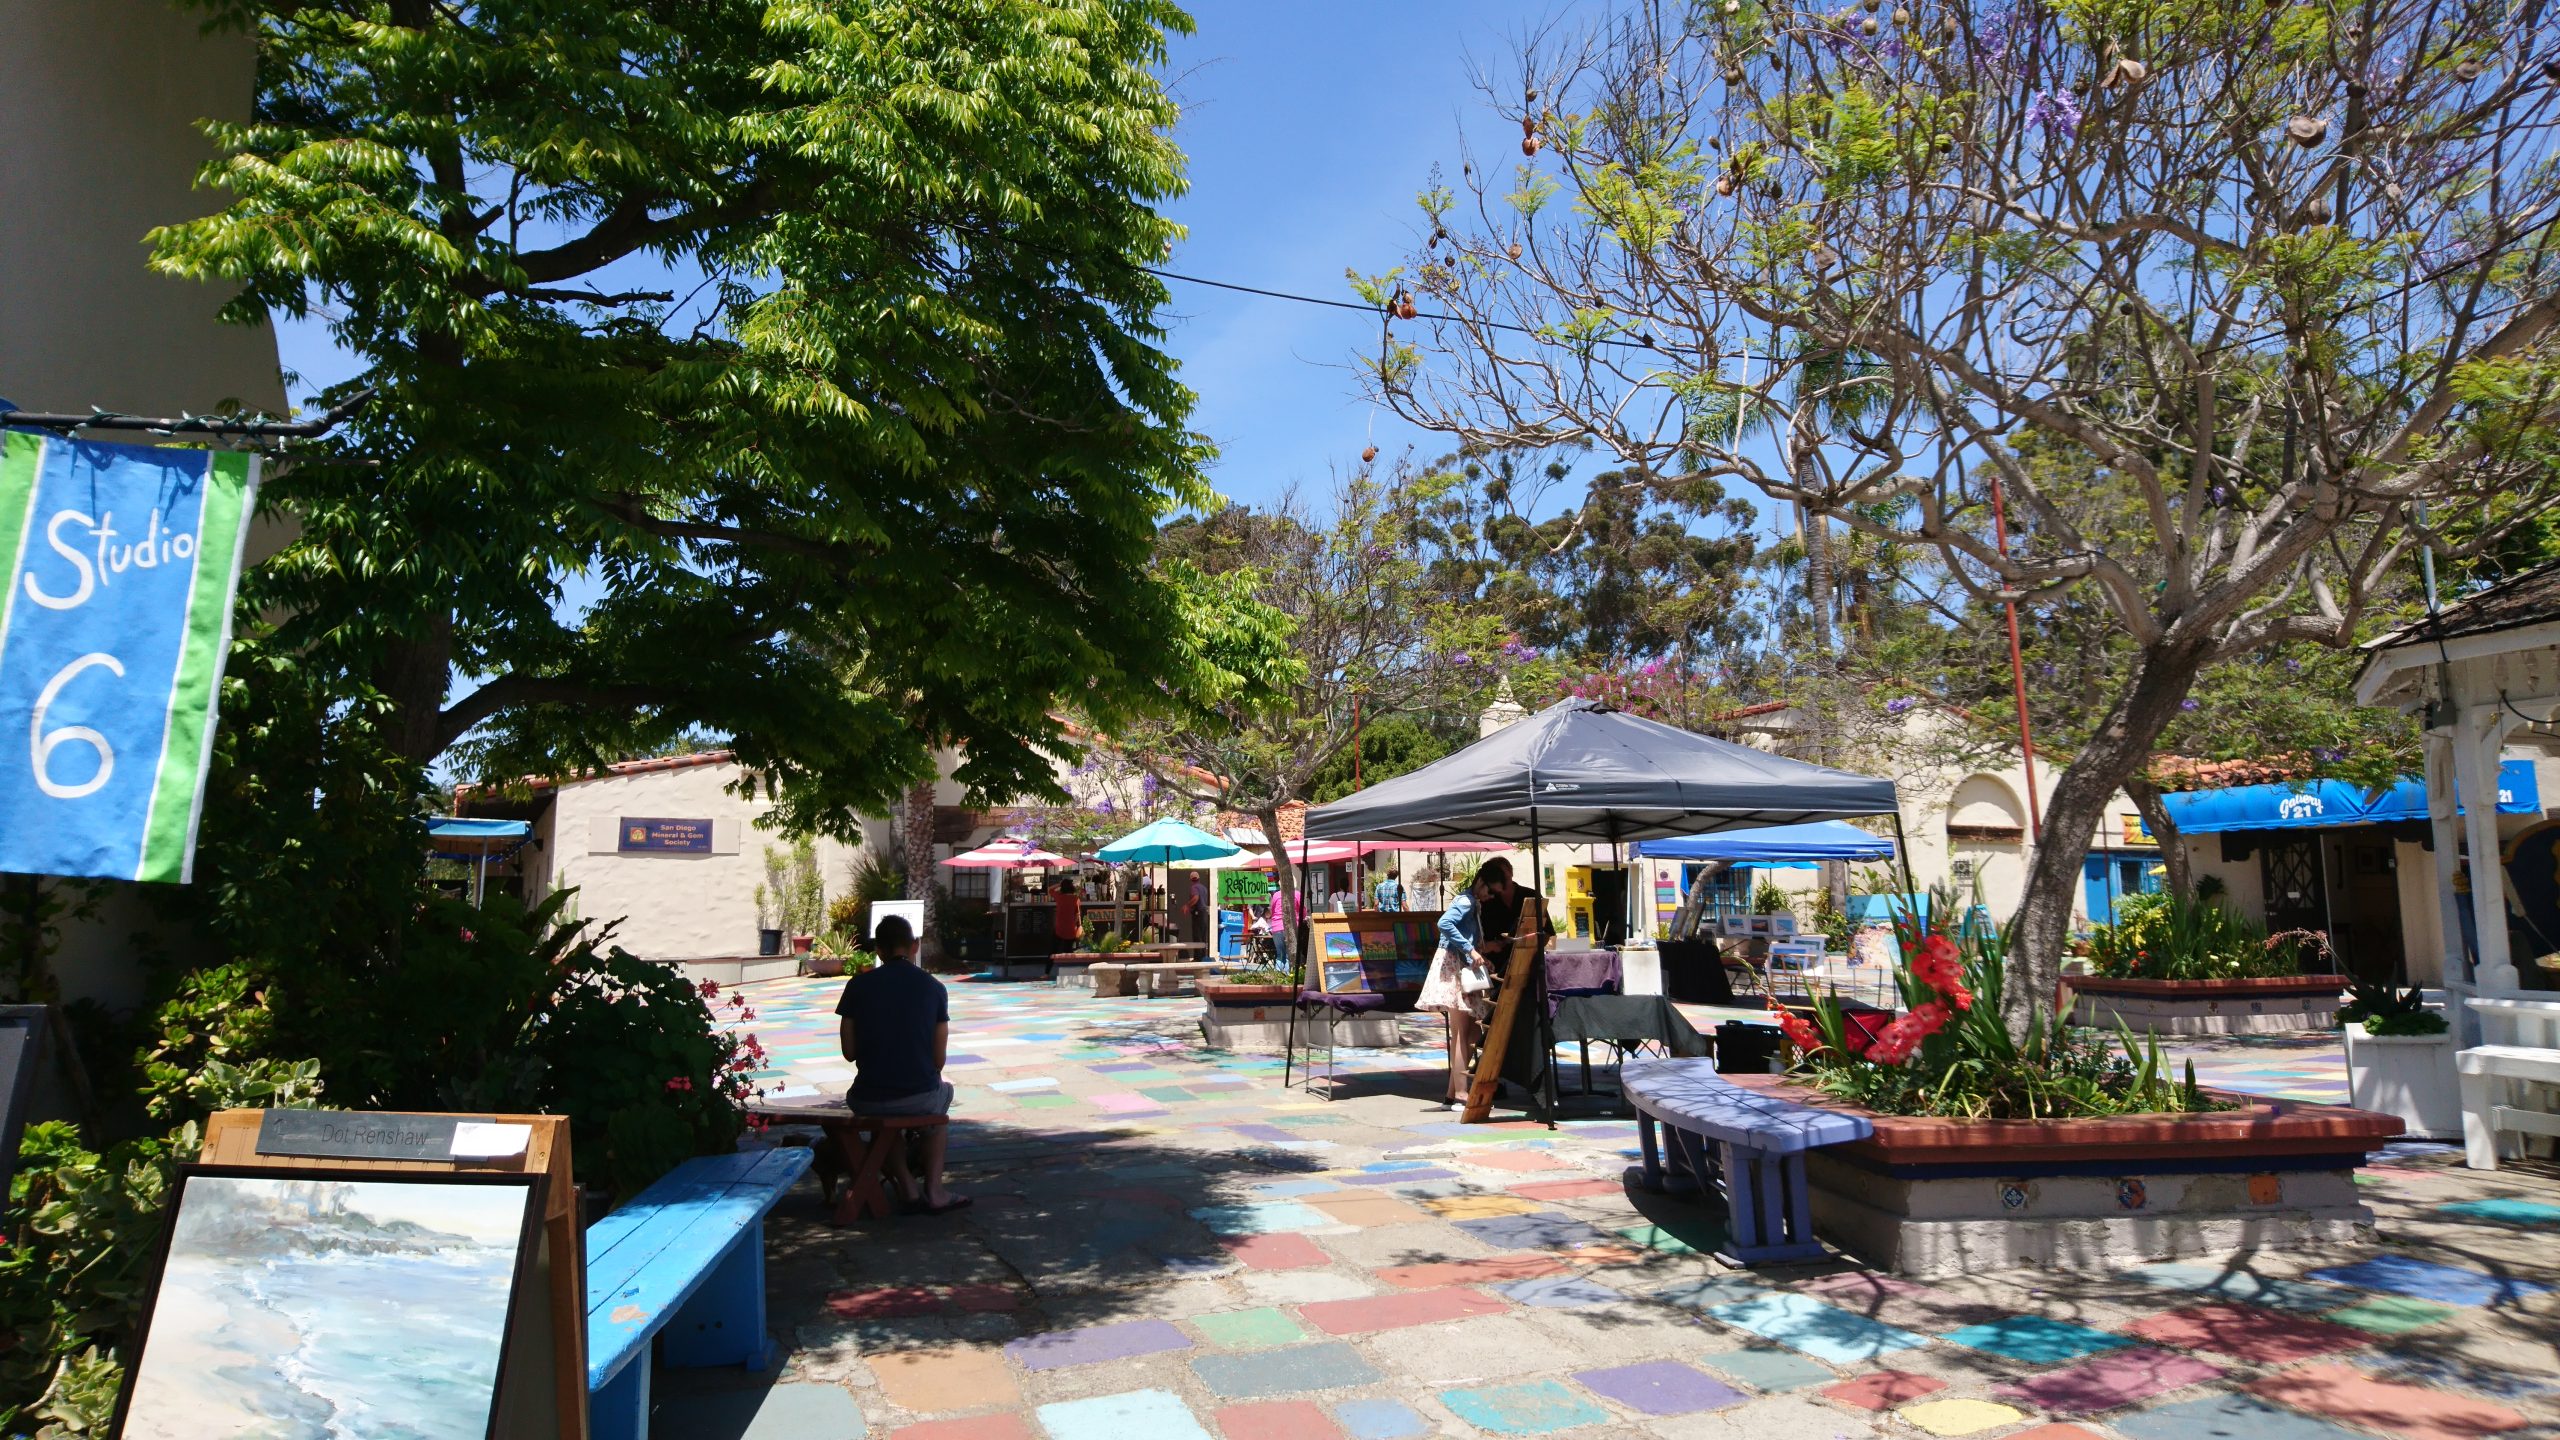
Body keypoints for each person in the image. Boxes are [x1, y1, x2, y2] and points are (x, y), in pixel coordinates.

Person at [835, 916, 968, 1213]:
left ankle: (907, 1185)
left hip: (867, 1096)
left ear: (878, 950)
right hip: (918, 1094)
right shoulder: (933, 988)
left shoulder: (858, 986)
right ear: (915, 945)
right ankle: (934, 1191)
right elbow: (938, 1060)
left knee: (887, 1121)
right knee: (940, 1100)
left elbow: (849, 1051)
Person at [1419, 872, 1495, 1107]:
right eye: (1490, 891)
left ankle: (1452, 1093)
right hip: (1454, 967)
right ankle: (1461, 1093)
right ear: (1481, 883)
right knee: (1463, 1033)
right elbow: (1444, 923)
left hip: (1458, 965)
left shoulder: (1473, 903)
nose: (1491, 896)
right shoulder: (1466, 901)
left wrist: (1479, 950)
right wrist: (1470, 951)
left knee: (1469, 1032)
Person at [1050, 877, 1082, 955]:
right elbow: (1077, 915)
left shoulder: (1059, 897)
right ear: (1072, 887)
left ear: (1062, 887)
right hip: (1071, 929)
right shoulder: (1076, 899)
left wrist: (1059, 884)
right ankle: (1067, 966)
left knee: (1053, 951)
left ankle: (1048, 966)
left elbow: (1050, 889)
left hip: (1059, 928)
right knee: (1068, 952)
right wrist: (1075, 924)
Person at [1188, 873, 1210, 943]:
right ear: (1199, 878)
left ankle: (1198, 954)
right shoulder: (1204, 888)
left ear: (1191, 879)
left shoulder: (1194, 887)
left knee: (1197, 936)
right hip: (1204, 913)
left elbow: (1195, 898)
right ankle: (1203, 953)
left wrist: (1187, 905)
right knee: (1203, 936)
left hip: (1197, 913)